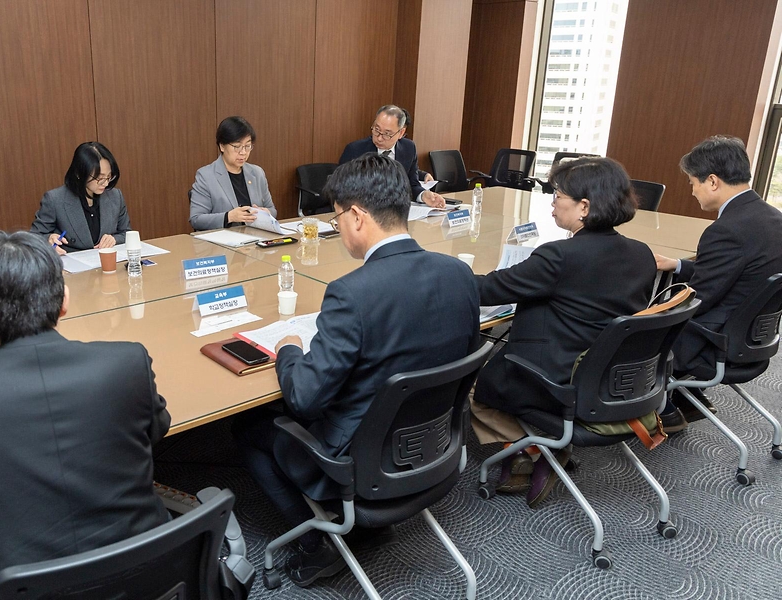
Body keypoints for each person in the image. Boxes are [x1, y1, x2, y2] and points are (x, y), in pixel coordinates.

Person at [233, 154, 480, 588]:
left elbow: (304, 397)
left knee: (247, 427)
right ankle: (364, 524)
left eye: (336, 218)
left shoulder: (352, 293)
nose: (337, 227)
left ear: (358, 216)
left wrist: (289, 350)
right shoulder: (460, 274)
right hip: (434, 444)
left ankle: (317, 543)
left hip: (359, 457)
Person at [0, 231, 171, 600]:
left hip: (13, 587)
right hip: (144, 574)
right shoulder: (127, 361)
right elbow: (155, 432)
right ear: (65, 302)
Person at [471, 157, 657, 507]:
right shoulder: (642, 254)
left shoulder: (559, 256)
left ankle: (534, 453)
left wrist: (441, 275)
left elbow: (489, 289)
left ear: (584, 207)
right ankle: (537, 452)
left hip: (556, 380)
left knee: (476, 391)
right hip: (611, 380)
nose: (552, 201)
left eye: (558, 194)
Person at [655, 135, 782, 430]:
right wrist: (677, 264)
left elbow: (700, 298)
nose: (692, 191)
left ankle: (667, 408)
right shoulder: (772, 219)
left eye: (693, 183)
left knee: (630, 325)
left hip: (713, 341)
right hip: (753, 336)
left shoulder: (725, 230)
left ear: (712, 181)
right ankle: (689, 394)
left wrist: (648, 312)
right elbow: (737, 272)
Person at [31, 142, 131, 255]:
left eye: (109, 177)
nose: (106, 183)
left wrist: (114, 239)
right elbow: (34, 238)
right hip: (71, 266)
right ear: (79, 174)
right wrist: (49, 239)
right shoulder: (54, 199)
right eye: (100, 178)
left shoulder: (115, 196)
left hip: (107, 263)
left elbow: (127, 233)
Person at [339, 105, 445, 208]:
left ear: (401, 133)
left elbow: (411, 185)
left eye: (387, 134)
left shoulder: (409, 148)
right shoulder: (355, 150)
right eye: (376, 130)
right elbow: (340, 189)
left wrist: (423, 195)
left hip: (396, 215)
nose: (379, 138)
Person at [189, 116, 277, 230]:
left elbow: (273, 210)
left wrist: (265, 213)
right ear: (222, 146)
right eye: (237, 147)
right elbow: (196, 219)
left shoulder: (257, 173)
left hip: (255, 240)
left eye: (247, 146)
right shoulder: (206, 176)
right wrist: (228, 217)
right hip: (222, 243)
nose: (243, 152)